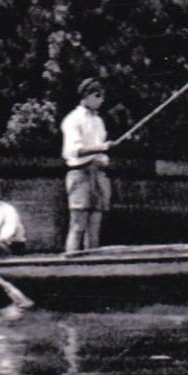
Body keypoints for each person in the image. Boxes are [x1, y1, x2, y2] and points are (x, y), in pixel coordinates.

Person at [61, 77, 112, 253]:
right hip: (80, 174)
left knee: (95, 226)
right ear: (86, 95)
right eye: (97, 95)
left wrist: (105, 150)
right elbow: (74, 150)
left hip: (99, 173)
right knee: (78, 224)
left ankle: (92, 263)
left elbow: (101, 147)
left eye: (102, 96)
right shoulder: (72, 119)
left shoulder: (98, 121)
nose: (101, 100)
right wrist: (101, 148)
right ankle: (70, 263)